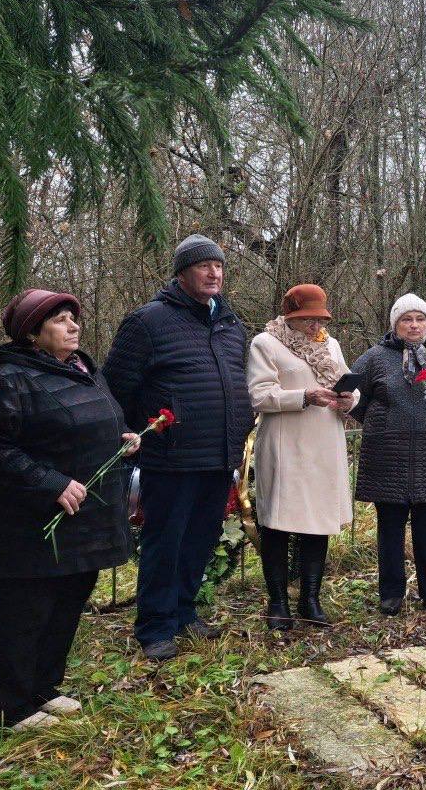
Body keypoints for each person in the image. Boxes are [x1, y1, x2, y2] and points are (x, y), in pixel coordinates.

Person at [0, 290, 138, 729]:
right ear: (33, 334)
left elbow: (86, 424)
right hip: (28, 527)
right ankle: (8, 709)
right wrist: (49, 482)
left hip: (81, 526)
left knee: (63, 608)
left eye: (73, 318)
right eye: (61, 320)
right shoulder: (9, 379)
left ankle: (43, 689)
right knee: (23, 615)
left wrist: (122, 437)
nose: (74, 326)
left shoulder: (83, 371)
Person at [103, 234, 254, 661]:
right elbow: (116, 388)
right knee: (164, 540)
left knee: (200, 540)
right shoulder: (148, 322)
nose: (214, 273)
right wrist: (138, 435)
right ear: (182, 272)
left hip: (219, 455)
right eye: (204, 266)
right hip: (170, 456)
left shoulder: (230, 325)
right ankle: (154, 625)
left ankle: (184, 611)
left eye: (219, 266)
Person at [350, 294, 426, 615]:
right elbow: (352, 397)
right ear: (395, 324)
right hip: (387, 456)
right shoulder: (375, 357)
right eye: (407, 319)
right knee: (390, 530)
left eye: (420, 319)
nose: (414, 325)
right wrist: (384, 423)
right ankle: (391, 594)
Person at [247, 284, 356, 630]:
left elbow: (347, 385)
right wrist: (304, 396)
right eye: (306, 318)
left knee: (316, 525)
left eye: (319, 318)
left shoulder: (331, 344)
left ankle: (311, 598)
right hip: (286, 446)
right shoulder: (266, 343)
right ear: (290, 316)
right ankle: (278, 602)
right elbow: (259, 395)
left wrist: (348, 400)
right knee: (278, 525)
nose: (314, 325)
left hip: (325, 444)